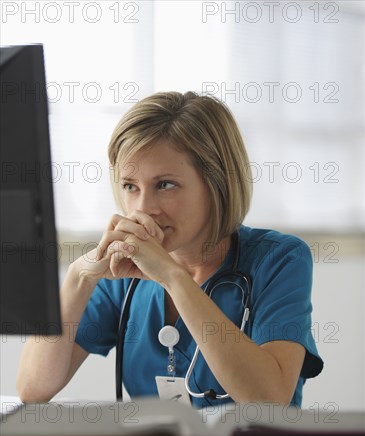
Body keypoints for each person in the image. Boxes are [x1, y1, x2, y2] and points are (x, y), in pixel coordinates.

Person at [17, 91, 323, 408]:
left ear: (216, 183)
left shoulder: (279, 259)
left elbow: (268, 402)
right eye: (130, 186)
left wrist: (173, 278)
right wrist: (79, 276)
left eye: (165, 185)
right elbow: (33, 388)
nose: (143, 208)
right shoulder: (121, 275)